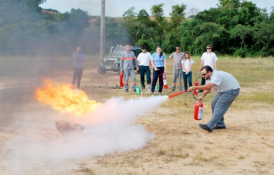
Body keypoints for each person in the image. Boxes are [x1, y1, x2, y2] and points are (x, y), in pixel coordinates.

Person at [187, 65, 240, 132]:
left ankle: (209, 126)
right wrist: (203, 95)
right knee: (214, 103)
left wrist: (195, 87)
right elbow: (207, 87)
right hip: (222, 90)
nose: (203, 76)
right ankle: (220, 124)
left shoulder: (216, 76)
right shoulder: (208, 78)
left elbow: (209, 87)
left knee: (219, 107)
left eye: (204, 74)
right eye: (202, 75)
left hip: (232, 90)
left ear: (209, 72)